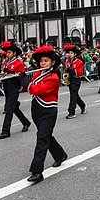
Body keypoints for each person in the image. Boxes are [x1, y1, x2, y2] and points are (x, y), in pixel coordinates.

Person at [27, 46, 68, 183]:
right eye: (41, 61)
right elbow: (29, 87)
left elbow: (38, 90)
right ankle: (60, 154)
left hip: (48, 110)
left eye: (46, 61)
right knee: (46, 136)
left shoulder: (54, 77)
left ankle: (37, 171)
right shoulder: (37, 74)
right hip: (36, 110)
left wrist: (26, 82)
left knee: (41, 138)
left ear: (52, 62)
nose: (43, 63)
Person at [0, 41, 32, 139]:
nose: (7, 54)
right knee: (13, 107)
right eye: (6, 53)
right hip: (6, 85)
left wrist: (11, 72)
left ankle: (5, 131)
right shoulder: (5, 62)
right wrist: (1, 74)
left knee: (9, 109)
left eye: (9, 53)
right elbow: (3, 72)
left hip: (14, 86)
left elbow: (21, 76)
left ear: (14, 53)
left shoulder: (18, 62)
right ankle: (26, 122)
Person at [63, 44, 87, 119]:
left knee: (73, 95)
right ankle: (82, 105)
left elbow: (79, 73)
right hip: (70, 79)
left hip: (76, 79)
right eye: (69, 53)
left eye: (71, 53)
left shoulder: (79, 62)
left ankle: (71, 112)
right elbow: (66, 70)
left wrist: (70, 69)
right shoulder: (67, 61)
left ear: (75, 54)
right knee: (74, 95)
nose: (69, 55)